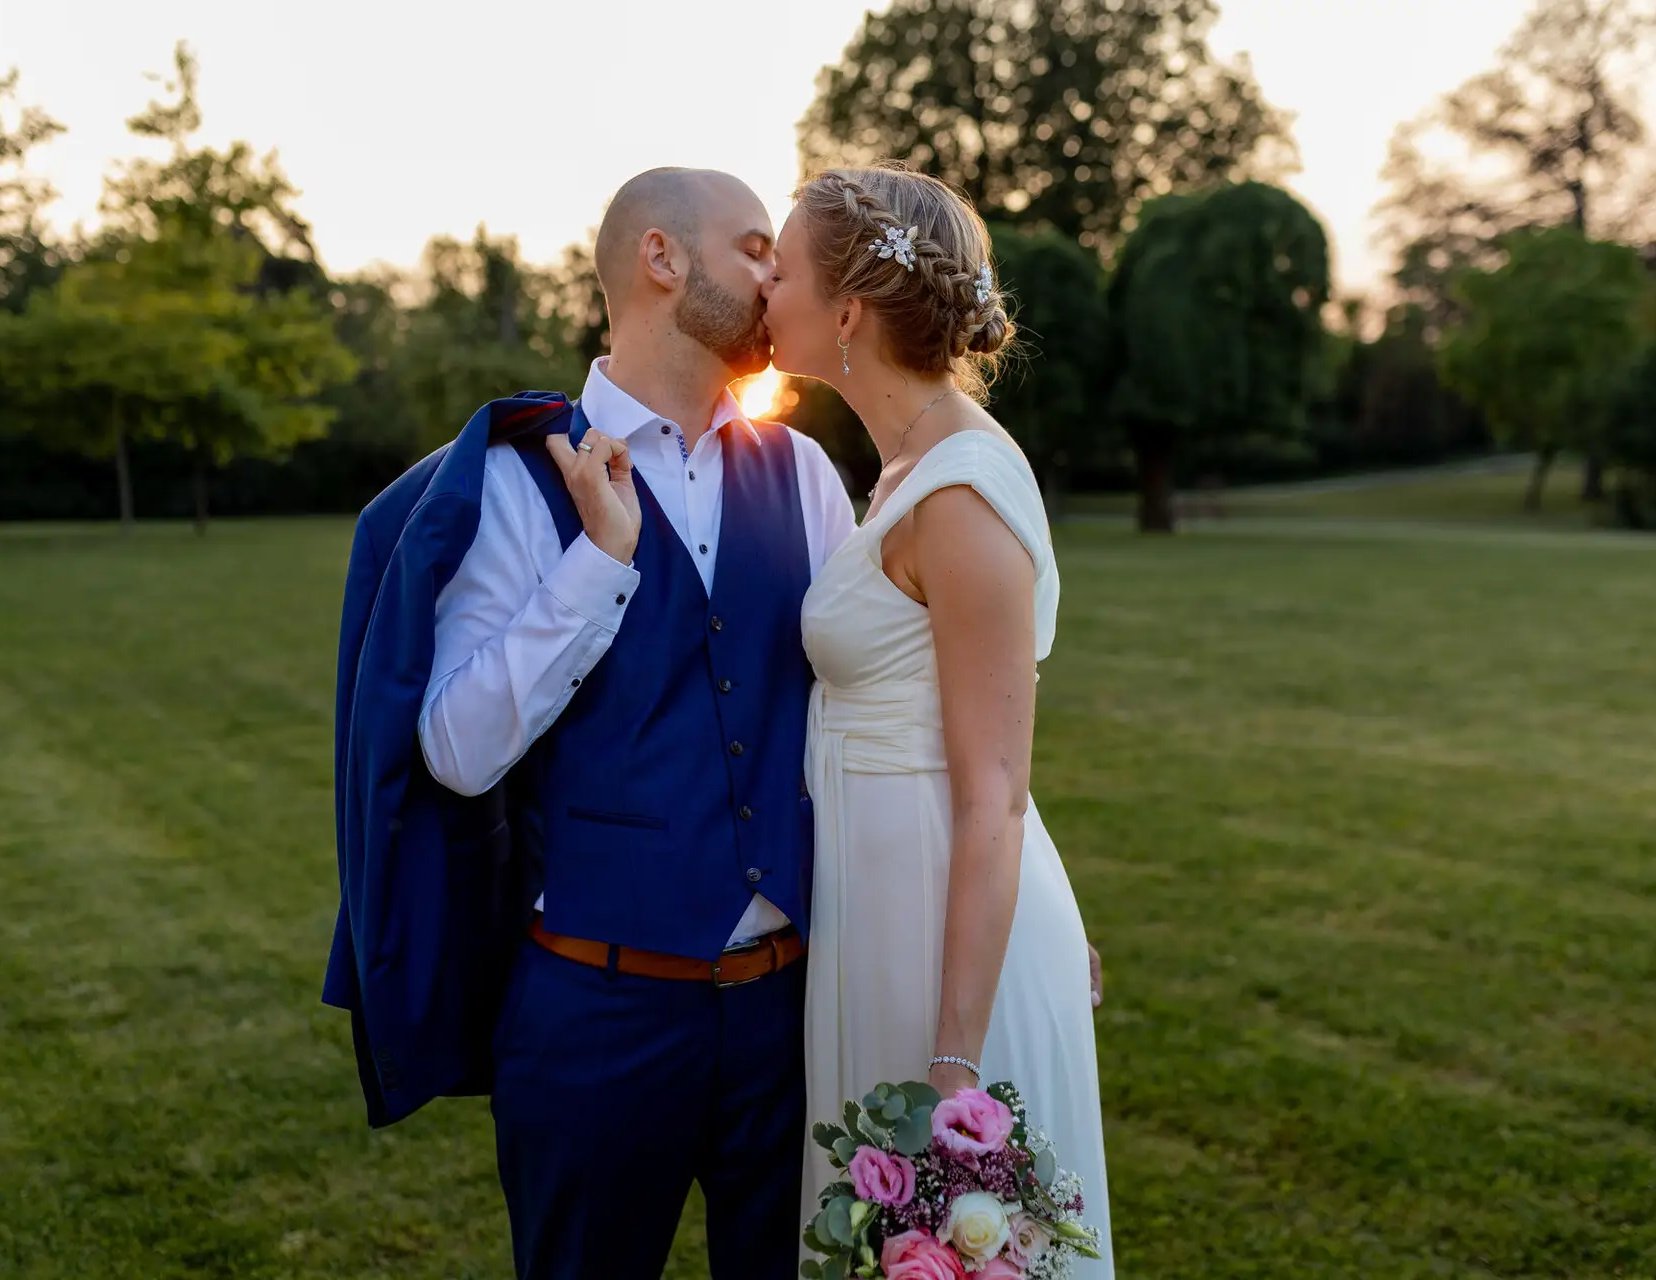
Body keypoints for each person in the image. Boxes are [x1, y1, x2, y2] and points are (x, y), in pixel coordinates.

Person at [324, 166, 853, 1280]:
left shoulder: (803, 473)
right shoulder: (520, 485)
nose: (779, 275)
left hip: (793, 1015)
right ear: (663, 259)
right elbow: (456, 753)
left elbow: (874, 715)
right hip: (596, 1014)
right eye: (756, 247)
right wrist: (597, 564)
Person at [761, 165, 1114, 1271]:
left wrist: (956, 1056)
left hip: (937, 935)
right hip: (885, 896)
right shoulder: (904, 468)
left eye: (783, 266)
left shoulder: (959, 492)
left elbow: (996, 790)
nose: (765, 285)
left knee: (952, 1231)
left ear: (849, 311)